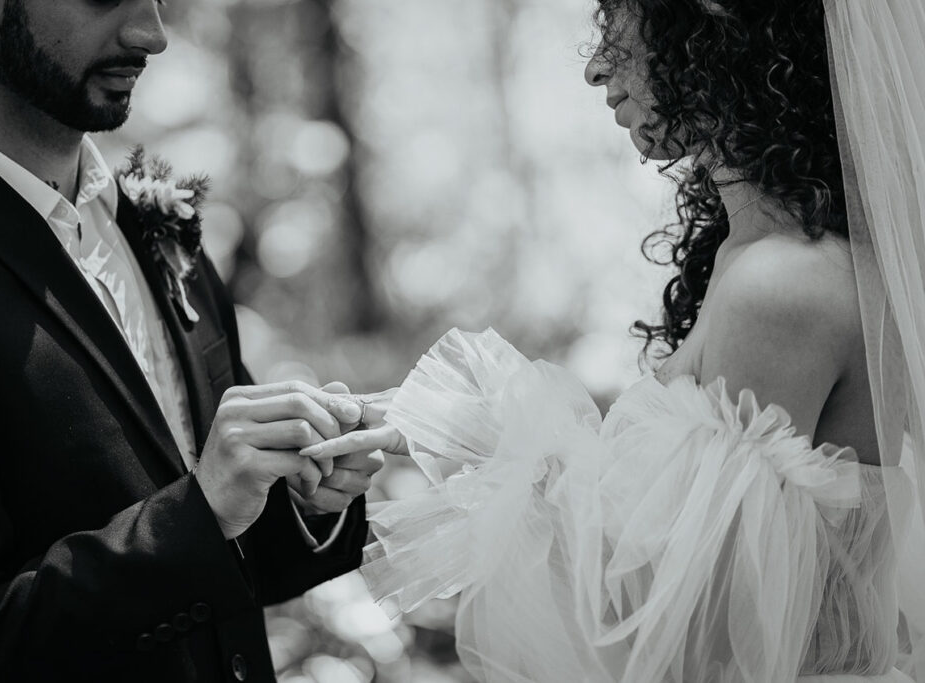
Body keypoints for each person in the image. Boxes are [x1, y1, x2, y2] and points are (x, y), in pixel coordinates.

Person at [305, 0, 925, 681]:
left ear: (715, 29)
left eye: (619, 19)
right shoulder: (755, 256)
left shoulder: (782, 285)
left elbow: (689, 636)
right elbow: (665, 549)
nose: (598, 66)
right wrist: (435, 423)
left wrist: (478, 438)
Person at [0, 1, 381, 681]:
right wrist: (197, 514)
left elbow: (221, 571)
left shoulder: (156, 225)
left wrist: (302, 496)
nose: (151, 34)